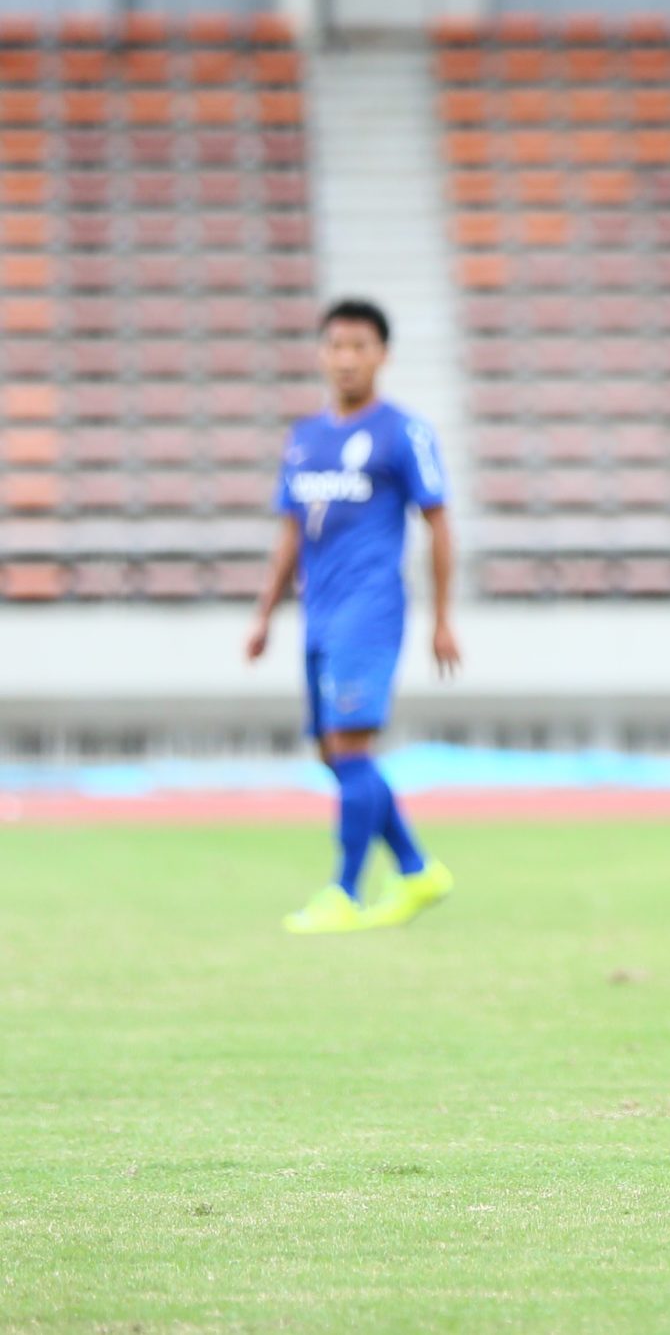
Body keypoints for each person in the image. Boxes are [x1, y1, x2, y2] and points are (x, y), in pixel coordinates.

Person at [246, 299, 459, 934]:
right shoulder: (304, 438)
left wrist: (443, 619)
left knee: (351, 745)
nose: (346, 358)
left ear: (382, 355)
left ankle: (345, 891)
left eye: (359, 346)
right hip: (319, 612)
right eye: (336, 346)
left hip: (371, 609)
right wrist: (264, 614)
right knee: (334, 753)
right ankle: (417, 870)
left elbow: (439, 523)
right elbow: (290, 533)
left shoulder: (403, 432)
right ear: (321, 353)